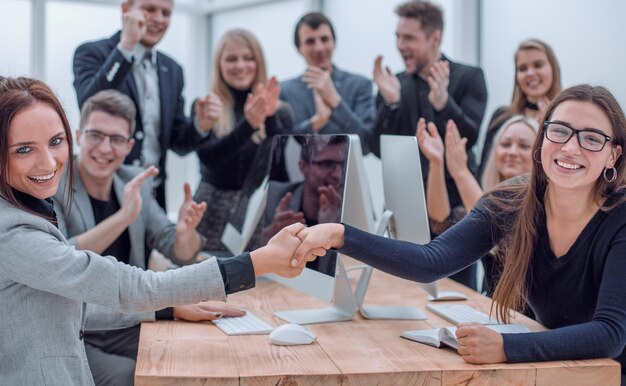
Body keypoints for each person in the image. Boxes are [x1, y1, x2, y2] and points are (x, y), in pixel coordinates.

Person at [293, 84, 626, 382]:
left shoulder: (620, 217)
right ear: (543, 138)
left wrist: (507, 346)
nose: (570, 147)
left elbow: (610, 333)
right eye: (560, 131)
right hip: (561, 372)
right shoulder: (512, 201)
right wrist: (340, 235)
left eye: (592, 138)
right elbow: (431, 261)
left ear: (614, 154)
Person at [0, 76, 320, 385]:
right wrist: (257, 262)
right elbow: (125, 284)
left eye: (56, 141)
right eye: (24, 149)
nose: (49, 162)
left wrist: (169, 300)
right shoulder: (15, 229)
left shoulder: (126, 183)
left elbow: (68, 303)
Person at [51, 89, 245, 385]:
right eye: (95, 135)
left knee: (197, 355)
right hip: (77, 328)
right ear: (78, 136)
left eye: (116, 139)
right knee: (130, 377)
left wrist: (186, 231)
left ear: (129, 146)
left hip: (130, 321)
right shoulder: (54, 188)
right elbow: (62, 263)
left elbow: (180, 251)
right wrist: (123, 218)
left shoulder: (134, 182)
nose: (105, 148)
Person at [369, 0, 487, 288]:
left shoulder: (470, 77)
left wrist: (443, 104)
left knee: (459, 290)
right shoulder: (393, 84)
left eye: (408, 37)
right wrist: (392, 104)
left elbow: (469, 137)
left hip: (455, 212)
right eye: (397, 36)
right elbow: (374, 147)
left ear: (434, 38)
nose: (399, 45)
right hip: (405, 206)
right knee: (404, 287)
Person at [73, 0, 221, 209]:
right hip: (103, 193)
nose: (159, 19)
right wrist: (126, 47)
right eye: (149, 9)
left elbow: (177, 143)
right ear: (126, 10)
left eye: (166, 13)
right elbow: (89, 104)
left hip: (153, 195)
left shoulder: (173, 69)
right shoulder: (91, 53)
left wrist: (201, 124)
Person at [194, 29, 293, 252]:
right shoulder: (208, 106)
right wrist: (248, 125)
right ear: (219, 65)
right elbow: (208, 159)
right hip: (210, 209)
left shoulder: (280, 110)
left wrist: (268, 117)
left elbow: (284, 165)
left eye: (248, 58)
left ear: (258, 62)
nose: (241, 65)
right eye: (231, 59)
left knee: (258, 282)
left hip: (257, 212)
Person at [418, 115, 538, 293]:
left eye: (524, 146)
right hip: (489, 309)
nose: (512, 151)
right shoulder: (484, 194)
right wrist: (437, 163)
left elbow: (498, 232)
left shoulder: (542, 206)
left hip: (523, 317)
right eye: (505, 144)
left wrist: (460, 172)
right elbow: (442, 221)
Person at [280, 12, 375, 153]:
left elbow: (366, 144)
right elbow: (281, 146)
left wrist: (336, 102)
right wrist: (316, 123)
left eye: (324, 39)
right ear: (299, 48)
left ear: (334, 42)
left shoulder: (360, 85)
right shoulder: (285, 91)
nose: (319, 48)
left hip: (348, 173)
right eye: (310, 41)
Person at [263, 135, 348, 276]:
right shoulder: (274, 195)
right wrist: (270, 235)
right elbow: (246, 254)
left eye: (343, 165)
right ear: (303, 166)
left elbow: (340, 275)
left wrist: (331, 230)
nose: (338, 174)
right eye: (327, 164)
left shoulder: (351, 206)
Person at [479, 39, 562, 178]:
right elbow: (484, 172)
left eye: (538, 65)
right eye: (523, 68)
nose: (530, 73)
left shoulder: (565, 120)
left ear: (553, 69)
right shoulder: (501, 117)